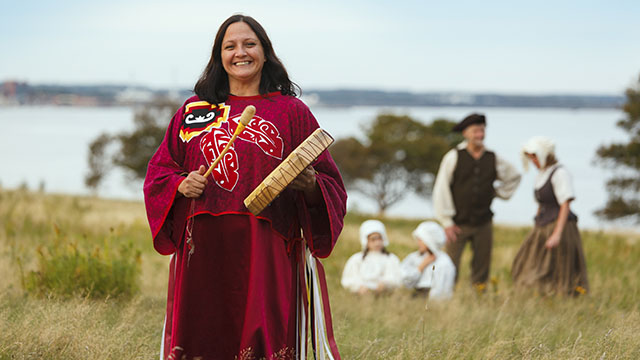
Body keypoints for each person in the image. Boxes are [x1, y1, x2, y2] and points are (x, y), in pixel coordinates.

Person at [143, 14, 347, 360]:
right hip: (204, 246)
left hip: (266, 245)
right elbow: (160, 172)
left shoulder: (292, 112)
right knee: (204, 333)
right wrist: (181, 184)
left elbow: (331, 184)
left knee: (262, 336)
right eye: (230, 46)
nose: (241, 52)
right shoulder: (194, 110)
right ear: (218, 56)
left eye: (249, 44)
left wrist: (311, 185)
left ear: (265, 52)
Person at [432, 113, 521, 288]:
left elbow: (514, 176)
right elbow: (441, 189)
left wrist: (496, 192)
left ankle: (479, 297)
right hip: (458, 222)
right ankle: (446, 297)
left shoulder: (493, 157)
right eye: (475, 131)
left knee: (482, 265)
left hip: (483, 221)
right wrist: (447, 221)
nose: (479, 135)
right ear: (465, 133)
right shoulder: (453, 157)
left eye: (482, 130)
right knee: (450, 264)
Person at [511, 136, 589, 296]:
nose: (532, 161)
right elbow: (541, 204)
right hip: (542, 226)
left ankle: (561, 299)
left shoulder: (560, 173)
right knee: (525, 262)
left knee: (558, 266)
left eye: (534, 156)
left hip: (560, 226)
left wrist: (557, 234)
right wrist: (537, 226)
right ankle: (540, 297)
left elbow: (565, 204)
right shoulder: (541, 174)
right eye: (530, 157)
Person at [341, 220, 402, 294]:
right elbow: (348, 280)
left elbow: (398, 279)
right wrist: (358, 287)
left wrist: (386, 284)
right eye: (373, 239)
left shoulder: (391, 258)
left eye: (379, 238)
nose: (377, 243)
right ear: (365, 240)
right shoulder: (356, 259)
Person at [400, 221, 456, 300]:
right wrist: (421, 267)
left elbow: (442, 291)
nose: (418, 243)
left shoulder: (444, 262)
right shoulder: (415, 257)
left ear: (429, 241)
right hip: (415, 297)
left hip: (430, 301)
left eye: (421, 240)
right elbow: (404, 279)